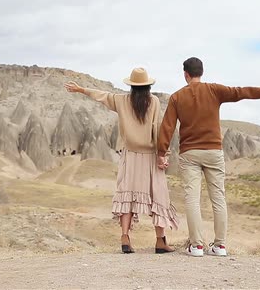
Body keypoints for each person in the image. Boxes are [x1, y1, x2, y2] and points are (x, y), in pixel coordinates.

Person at [156, 57, 260, 257]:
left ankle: (196, 246)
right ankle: (220, 246)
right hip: (214, 152)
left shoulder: (177, 97)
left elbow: (167, 127)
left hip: (190, 153)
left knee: (192, 199)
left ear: (185, 74)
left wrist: (161, 153)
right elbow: (242, 92)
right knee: (218, 198)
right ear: (201, 72)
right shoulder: (215, 90)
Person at [65, 68, 179, 254]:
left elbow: (102, 96)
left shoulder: (122, 101)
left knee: (126, 194)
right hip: (150, 156)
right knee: (158, 196)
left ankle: (125, 237)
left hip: (130, 155)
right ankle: (160, 241)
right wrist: (162, 155)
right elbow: (158, 128)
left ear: (132, 87)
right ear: (148, 86)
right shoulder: (155, 102)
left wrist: (81, 90)